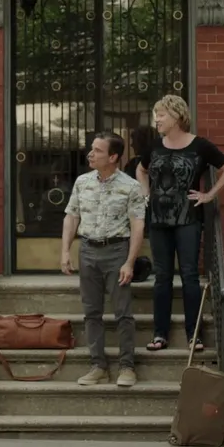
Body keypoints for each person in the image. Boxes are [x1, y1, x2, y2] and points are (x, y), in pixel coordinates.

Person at [135, 95, 224, 352]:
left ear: (177, 116)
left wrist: (209, 194)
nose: (157, 120)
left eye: (161, 115)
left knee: (190, 276)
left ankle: (194, 335)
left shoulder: (199, 146)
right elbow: (141, 169)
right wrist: (146, 193)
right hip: (158, 220)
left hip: (188, 219)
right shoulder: (154, 146)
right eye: (156, 115)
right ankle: (160, 334)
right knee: (162, 277)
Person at [61, 132, 147, 387]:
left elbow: (138, 225)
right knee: (91, 312)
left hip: (116, 252)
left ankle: (127, 367)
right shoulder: (82, 182)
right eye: (92, 149)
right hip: (87, 251)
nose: (90, 154)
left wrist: (129, 262)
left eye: (97, 150)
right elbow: (71, 216)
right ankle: (98, 367)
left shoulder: (131, 186)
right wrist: (65, 251)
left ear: (113, 157)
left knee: (123, 313)